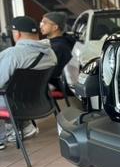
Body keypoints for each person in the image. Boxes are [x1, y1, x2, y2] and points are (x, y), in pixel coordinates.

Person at [0, 16, 57, 150]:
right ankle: (24, 127)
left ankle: (2, 137)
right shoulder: (50, 54)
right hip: (39, 103)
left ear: (17, 34)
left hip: (14, 104)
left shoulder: (12, 54)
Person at [39, 11, 74, 89]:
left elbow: (52, 73)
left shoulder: (59, 47)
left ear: (55, 27)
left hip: (55, 84)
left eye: (44, 23)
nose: (41, 26)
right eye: (41, 23)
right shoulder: (54, 42)